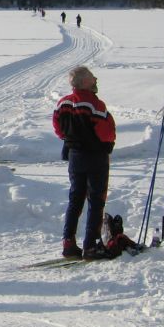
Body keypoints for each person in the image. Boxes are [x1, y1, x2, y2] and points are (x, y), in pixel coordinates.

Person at [53, 65, 117, 260]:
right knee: (96, 201)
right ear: (84, 82)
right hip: (95, 156)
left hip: (74, 155)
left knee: (75, 199)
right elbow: (106, 132)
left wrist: (71, 140)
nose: (95, 80)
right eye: (91, 78)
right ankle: (91, 245)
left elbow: (58, 128)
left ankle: (68, 242)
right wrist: (108, 142)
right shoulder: (95, 104)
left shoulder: (63, 103)